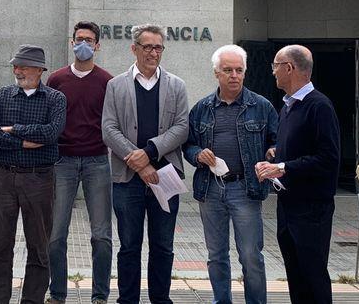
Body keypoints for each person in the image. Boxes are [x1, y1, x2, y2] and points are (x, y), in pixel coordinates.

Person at [102, 24, 189, 304]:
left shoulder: (176, 85)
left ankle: (160, 300)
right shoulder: (116, 85)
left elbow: (182, 127)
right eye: (148, 47)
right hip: (127, 179)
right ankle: (127, 300)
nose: (153, 52)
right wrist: (139, 163)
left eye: (158, 47)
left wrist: (150, 151)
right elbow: (109, 129)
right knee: (129, 246)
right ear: (134, 48)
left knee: (163, 246)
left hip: (166, 176)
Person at [183, 44, 277, 304]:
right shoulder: (201, 108)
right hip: (210, 188)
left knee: (250, 255)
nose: (234, 75)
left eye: (239, 70)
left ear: (245, 73)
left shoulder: (262, 106)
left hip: (245, 189)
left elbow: (277, 141)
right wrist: (197, 154)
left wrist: (272, 152)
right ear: (216, 73)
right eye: (228, 70)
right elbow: (188, 144)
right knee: (216, 255)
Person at [255, 44, 340, 304]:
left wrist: (282, 168)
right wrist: (276, 154)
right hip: (288, 205)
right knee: (296, 276)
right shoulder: (288, 106)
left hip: (311, 209)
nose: (273, 72)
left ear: (289, 68)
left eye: (275, 66)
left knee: (312, 276)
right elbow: (301, 148)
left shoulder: (319, 106)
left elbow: (328, 158)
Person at [0, 45, 67, 304]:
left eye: (23, 66)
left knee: (39, 246)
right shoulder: (3, 95)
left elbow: (51, 133)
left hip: (39, 178)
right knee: (0, 245)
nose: (17, 70)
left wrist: (13, 129)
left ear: (40, 70)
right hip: (4, 177)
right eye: (15, 66)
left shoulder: (55, 98)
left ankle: (32, 300)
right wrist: (22, 141)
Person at [46, 22, 115, 304]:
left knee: (101, 235)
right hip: (62, 161)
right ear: (71, 42)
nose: (83, 43)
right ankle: (57, 293)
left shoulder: (107, 81)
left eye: (89, 39)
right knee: (55, 234)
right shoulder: (56, 79)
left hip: (98, 160)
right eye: (79, 39)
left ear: (97, 45)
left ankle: (99, 295)